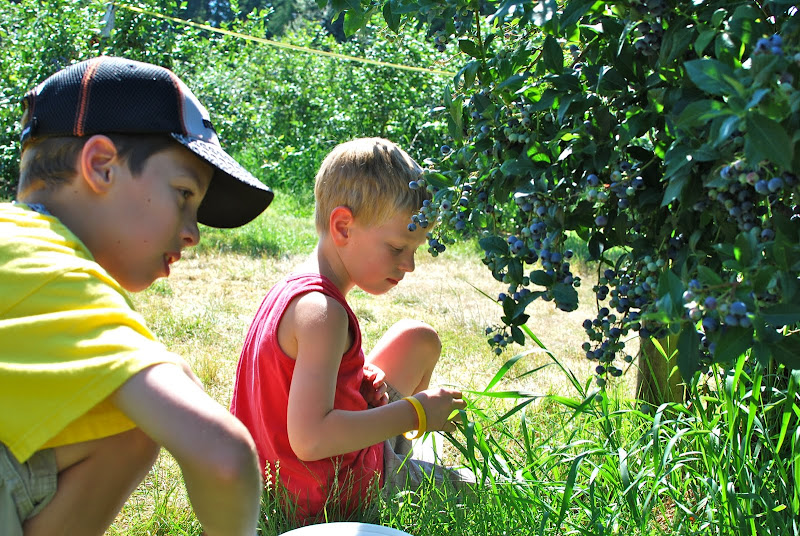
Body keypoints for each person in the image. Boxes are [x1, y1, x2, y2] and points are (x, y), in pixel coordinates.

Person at [0, 57, 274, 536]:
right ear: (101, 166)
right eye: (184, 194)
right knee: (136, 423)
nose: (193, 233)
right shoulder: (55, 272)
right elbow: (224, 455)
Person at [230, 137, 469, 522]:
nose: (409, 265)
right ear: (343, 227)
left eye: (414, 250)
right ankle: (410, 465)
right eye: (397, 248)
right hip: (334, 494)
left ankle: (410, 452)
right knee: (488, 491)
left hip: (283, 478)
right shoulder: (324, 315)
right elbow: (311, 440)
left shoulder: (297, 291)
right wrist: (417, 413)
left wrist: (356, 383)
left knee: (417, 339)